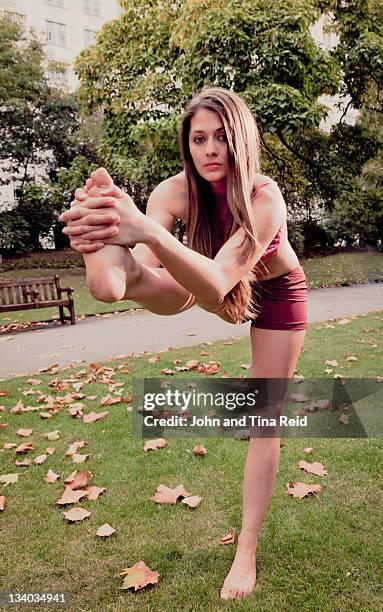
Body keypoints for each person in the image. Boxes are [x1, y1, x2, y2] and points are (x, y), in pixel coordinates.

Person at [59, 87, 307, 600]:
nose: (210, 149)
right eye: (198, 139)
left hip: (273, 290)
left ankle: (246, 550)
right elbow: (178, 284)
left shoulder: (266, 198)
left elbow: (220, 281)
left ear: (241, 142)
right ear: (187, 145)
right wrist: (132, 244)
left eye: (221, 138)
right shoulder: (172, 193)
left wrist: (147, 231)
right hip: (204, 278)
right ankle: (114, 263)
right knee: (155, 284)